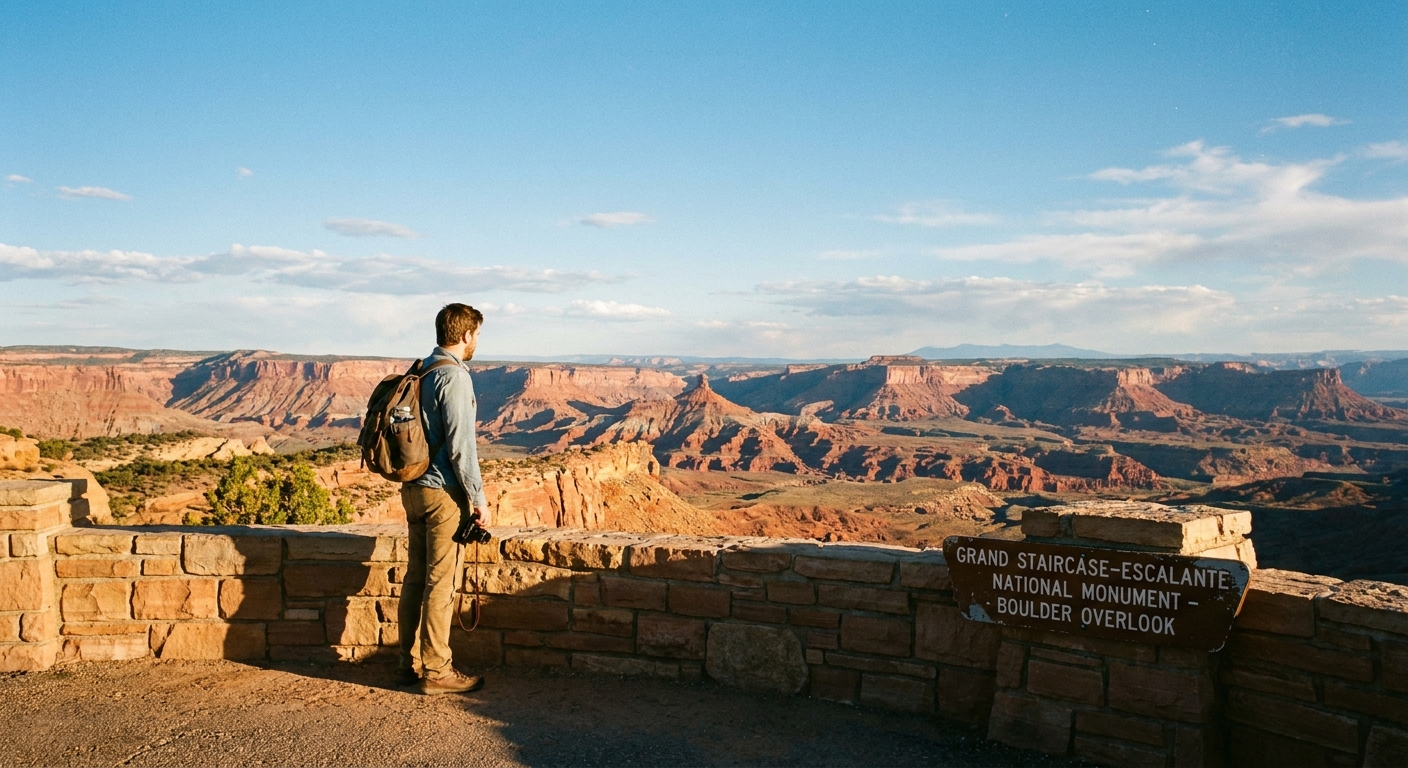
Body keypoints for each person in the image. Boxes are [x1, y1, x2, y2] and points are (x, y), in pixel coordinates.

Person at [396, 303, 491, 695]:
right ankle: (437, 671)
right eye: (478, 335)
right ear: (466, 335)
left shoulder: (421, 370)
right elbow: (461, 448)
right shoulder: (453, 377)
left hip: (413, 490)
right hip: (442, 496)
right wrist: (479, 498)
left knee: (416, 578)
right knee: (441, 583)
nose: (477, 342)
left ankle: (408, 663)